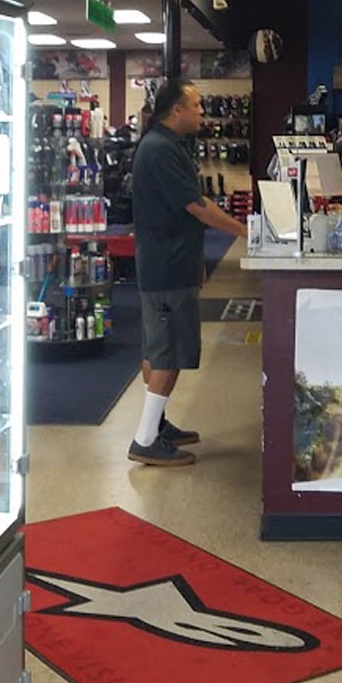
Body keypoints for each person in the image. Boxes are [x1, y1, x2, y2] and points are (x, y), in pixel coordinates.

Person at [127, 79, 247, 468]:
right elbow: (197, 206)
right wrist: (246, 232)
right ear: (175, 109)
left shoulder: (168, 146)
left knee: (158, 347)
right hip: (165, 265)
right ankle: (145, 439)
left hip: (170, 261)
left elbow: (194, 201)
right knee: (168, 353)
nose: (202, 112)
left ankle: (156, 424)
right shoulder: (160, 149)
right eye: (195, 105)